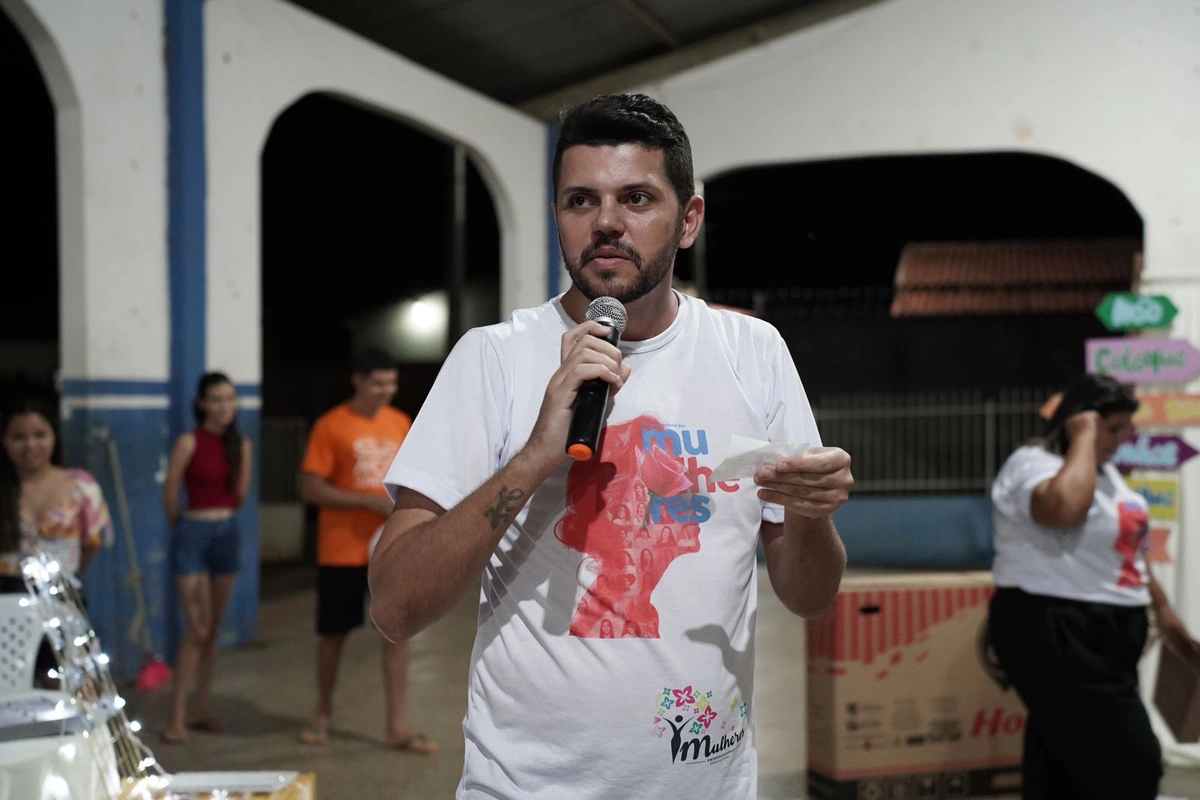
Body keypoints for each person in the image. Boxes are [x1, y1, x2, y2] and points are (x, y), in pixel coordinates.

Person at [369, 93, 852, 798]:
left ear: (688, 220)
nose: (606, 224)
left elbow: (809, 596)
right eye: (579, 201)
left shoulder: (753, 353)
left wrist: (810, 512)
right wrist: (537, 455)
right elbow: (395, 606)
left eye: (636, 198)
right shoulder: (493, 359)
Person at [988, 373, 1200, 800]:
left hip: (1106, 633)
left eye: (1127, 429)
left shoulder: (1107, 478)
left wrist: (1168, 620)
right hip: (1056, 627)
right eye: (1113, 427)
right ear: (1079, 420)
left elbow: (1128, 554)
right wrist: (1084, 435)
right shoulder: (1034, 464)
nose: (1122, 439)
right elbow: (1063, 511)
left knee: (1061, 757)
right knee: (1132, 762)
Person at [297, 349, 436, 754]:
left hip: (391, 550)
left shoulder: (400, 422)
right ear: (357, 381)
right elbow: (310, 488)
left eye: (391, 383)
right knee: (333, 636)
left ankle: (397, 726)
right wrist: (365, 501)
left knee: (397, 634)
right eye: (378, 383)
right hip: (341, 551)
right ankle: (322, 714)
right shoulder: (331, 426)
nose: (386, 391)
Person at [160, 373, 252, 744]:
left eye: (229, 398)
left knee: (212, 629)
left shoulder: (241, 445)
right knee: (196, 629)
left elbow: (241, 493)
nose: (224, 406)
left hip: (227, 533)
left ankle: (202, 709)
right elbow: (170, 494)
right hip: (193, 534)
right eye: (215, 399)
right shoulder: (188, 442)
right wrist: (182, 529)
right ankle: (177, 716)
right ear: (201, 404)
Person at [1, 395, 112, 576]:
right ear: (4, 441)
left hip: (60, 597)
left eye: (40, 435)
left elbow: (92, 544)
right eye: (18, 437)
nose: (30, 445)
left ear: (54, 436)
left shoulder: (81, 486)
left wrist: (63, 580)